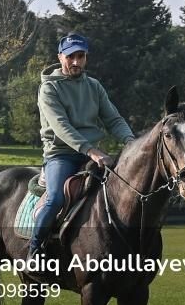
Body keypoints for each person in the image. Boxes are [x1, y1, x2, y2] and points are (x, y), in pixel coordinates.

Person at [28, 32, 135, 257]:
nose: (76, 62)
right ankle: (34, 250)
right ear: (60, 57)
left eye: (81, 56)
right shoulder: (49, 89)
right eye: (70, 57)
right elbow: (61, 127)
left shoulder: (94, 86)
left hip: (92, 155)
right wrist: (92, 151)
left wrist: (131, 142)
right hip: (61, 155)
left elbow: (113, 120)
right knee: (56, 197)